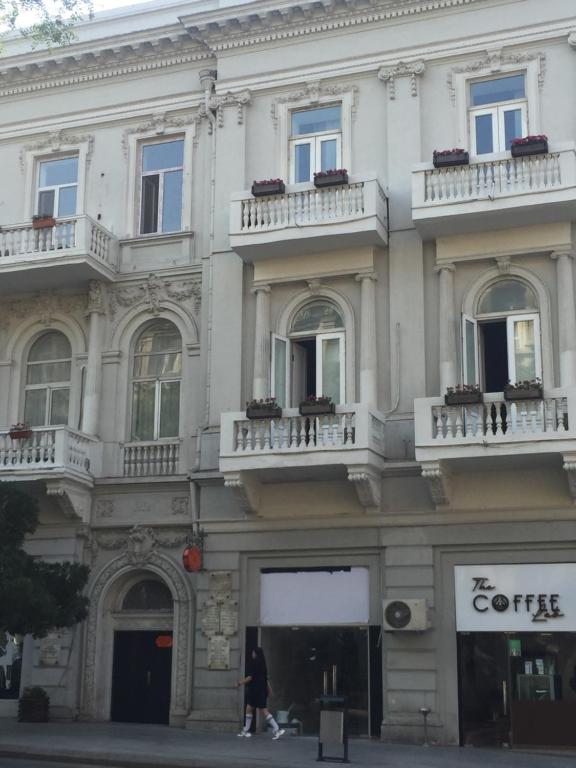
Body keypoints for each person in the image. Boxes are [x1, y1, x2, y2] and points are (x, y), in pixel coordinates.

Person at [237, 647, 285, 740]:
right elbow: (265, 679)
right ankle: (276, 729)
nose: (252, 654)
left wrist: (239, 683)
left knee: (251, 708)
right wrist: (269, 689)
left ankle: (247, 730)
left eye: (253, 653)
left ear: (256, 654)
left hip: (255, 690)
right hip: (262, 690)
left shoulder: (254, 663)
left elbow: (250, 677)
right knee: (260, 709)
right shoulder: (263, 665)